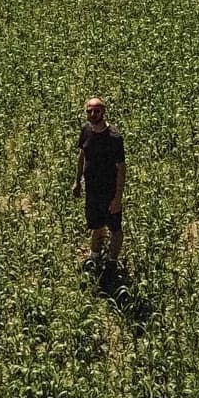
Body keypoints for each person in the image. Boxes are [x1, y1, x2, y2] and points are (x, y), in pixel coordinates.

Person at [74, 96, 126, 274]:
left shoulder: (114, 137)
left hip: (109, 192)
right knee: (96, 226)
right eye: (89, 111)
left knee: (115, 228)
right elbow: (82, 155)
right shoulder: (86, 130)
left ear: (103, 112)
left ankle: (112, 262)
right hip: (92, 191)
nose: (93, 114)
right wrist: (77, 181)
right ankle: (94, 257)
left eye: (96, 111)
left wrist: (117, 198)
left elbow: (121, 169)